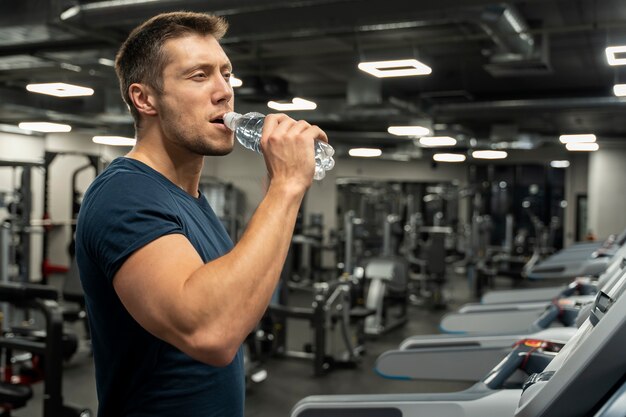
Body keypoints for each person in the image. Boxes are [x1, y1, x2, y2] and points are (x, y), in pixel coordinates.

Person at [75, 11, 328, 417]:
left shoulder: (188, 199)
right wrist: (285, 188)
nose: (225, 91)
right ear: (144, 98)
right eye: (199, 75)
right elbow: (210, 332)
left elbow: (238, 299)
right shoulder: (124, 194)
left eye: (226, 74)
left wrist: (281, 190)